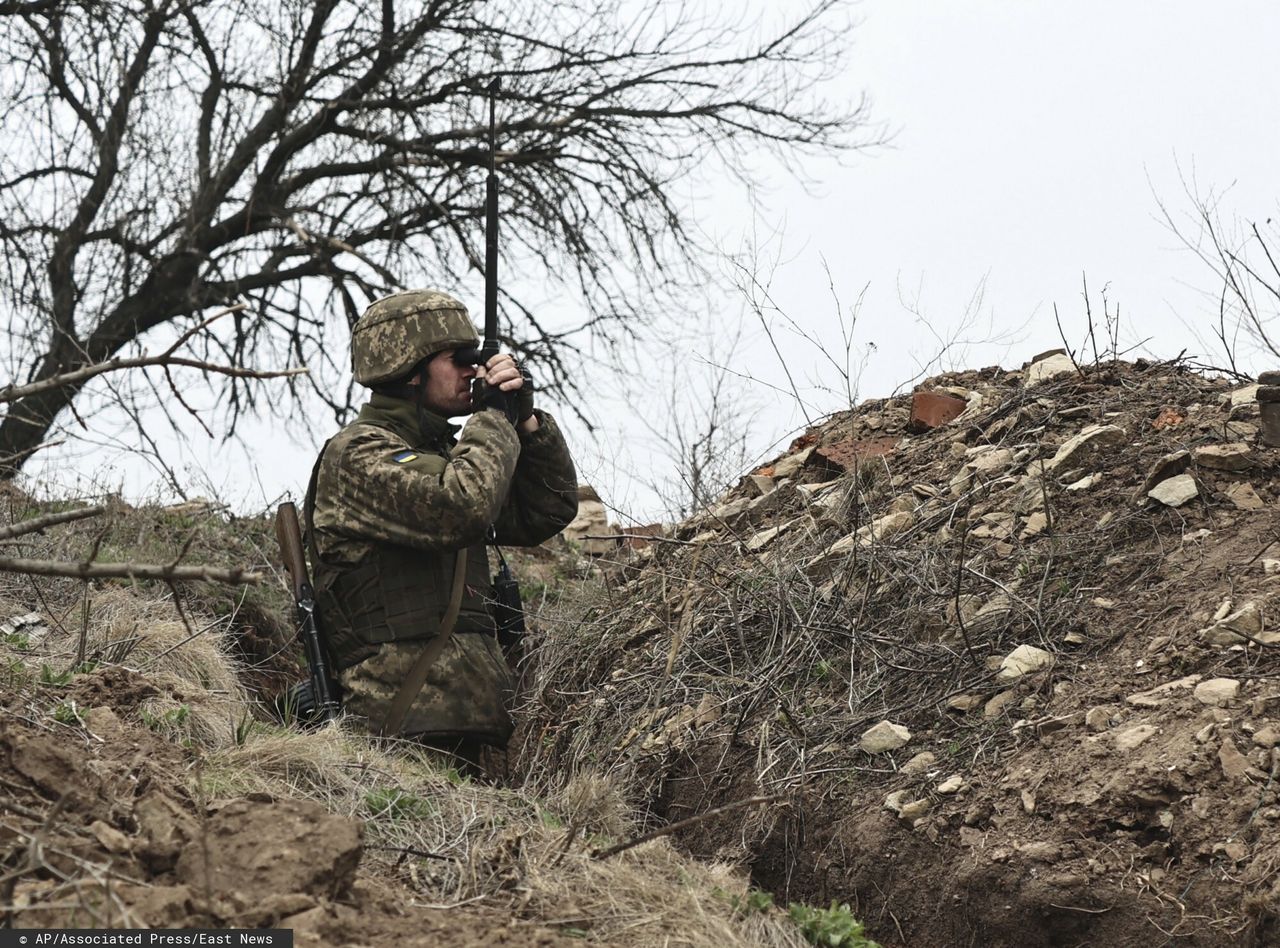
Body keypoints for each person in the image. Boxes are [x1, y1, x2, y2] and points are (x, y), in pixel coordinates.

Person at [305, 289, 577, 768]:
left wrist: (527, 421)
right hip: (394, 730)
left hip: (469, 721)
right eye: (459, 359)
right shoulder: (358, 455)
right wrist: (493, 418)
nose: (474, 370)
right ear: (409, 371)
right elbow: (462, 506)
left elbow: (547, 511)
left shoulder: (449, 458)